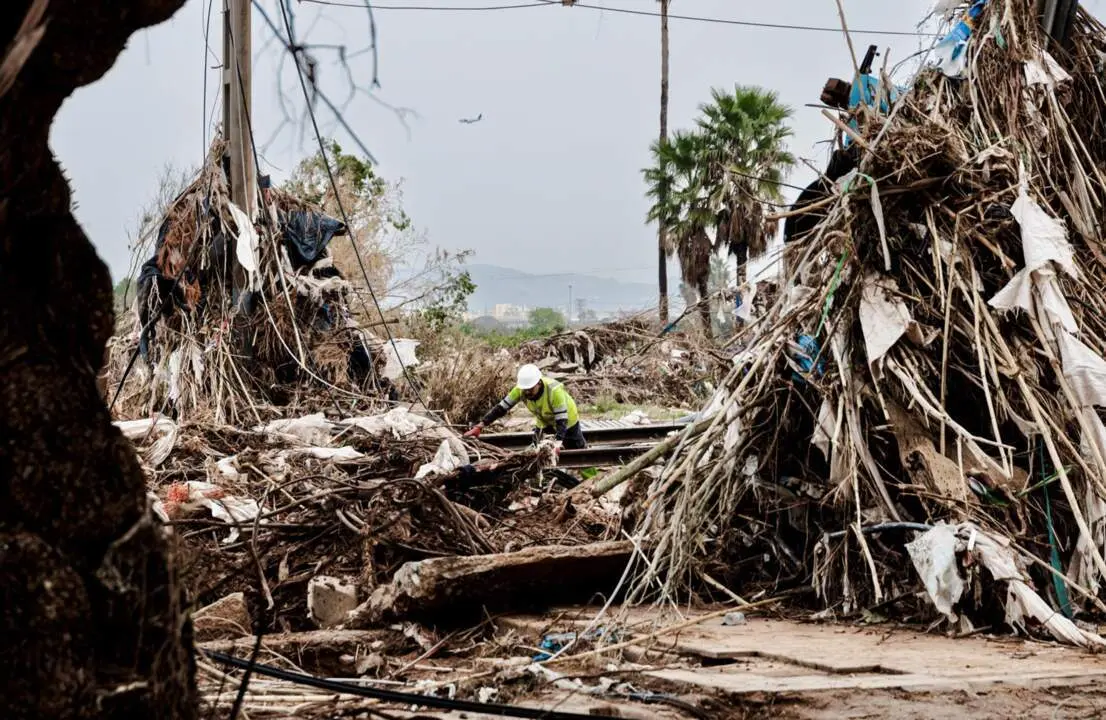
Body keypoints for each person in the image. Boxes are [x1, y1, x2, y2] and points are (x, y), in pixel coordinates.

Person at [464, 364, 587, 449]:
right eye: (525, 389)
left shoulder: (554, 390)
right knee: (537, 450)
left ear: (538, 383)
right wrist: (480, 426)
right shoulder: (520, 389)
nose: (527, 392)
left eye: (530, 389)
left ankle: (591, 480)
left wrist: (558, 443)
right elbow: (501, 408)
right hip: (544, 422)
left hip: (568, 420)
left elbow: (562, 420)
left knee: (579, 452)